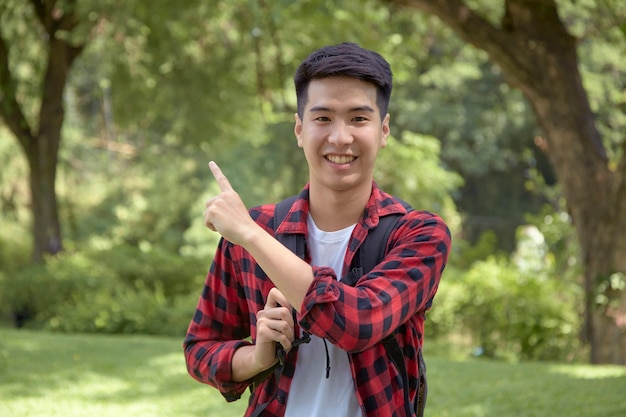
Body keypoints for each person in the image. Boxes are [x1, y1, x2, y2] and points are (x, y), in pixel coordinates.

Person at [183, 42, 451, 417]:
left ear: (384, 130)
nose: (340, 138)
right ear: (299, 129)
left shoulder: (420, 234)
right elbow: (200, 348)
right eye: (323, 118)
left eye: (359, 118)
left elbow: (357, 324)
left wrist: (250, 236)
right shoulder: (257, 228)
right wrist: (255, 358)